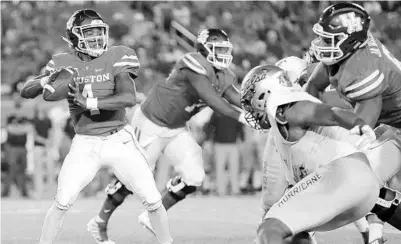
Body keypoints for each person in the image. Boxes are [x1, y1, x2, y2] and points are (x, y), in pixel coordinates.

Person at [20, 9, 172, 244]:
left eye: (99, 32)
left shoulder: (117, 56)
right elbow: (26, 91)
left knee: (152, 199)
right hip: (85, 143)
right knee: (62, 201)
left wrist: (88, 102)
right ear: (74, 37)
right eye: (89, 33)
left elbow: (127, 98)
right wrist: (45, 81)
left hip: (119, 138)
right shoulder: (63, 63)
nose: (97, 38)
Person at [87, 28, 251, 241]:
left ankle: (150, 216)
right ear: (204, 49)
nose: (222, 55)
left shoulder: (224, 75)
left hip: (176, 128)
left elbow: (238, 99)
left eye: (224, 50)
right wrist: (244, 118)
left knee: (195, 176)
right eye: (217, 49)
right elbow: (213, 100)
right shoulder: (192, 62)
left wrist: (263, 109)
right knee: (133, 179)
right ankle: (99, 221)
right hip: (150, 122)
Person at [240, 64, 381, 244]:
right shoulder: (281, 118)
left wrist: (357, 123)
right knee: (295, 229)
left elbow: (328, 113)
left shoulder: (281, 104)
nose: (250, 110)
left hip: (344, 174)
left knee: (269, 230)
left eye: (251, 98)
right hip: (363, 189)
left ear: (265, 92)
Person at [305, 2, 401, 243]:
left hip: (392, 127)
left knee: (361, 180)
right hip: (393, 126)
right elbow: (312, 89)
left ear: (350, 39)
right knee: (363, 181)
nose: (323, 45)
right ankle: (374, 235)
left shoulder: (365, 67)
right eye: (324, 38)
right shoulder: (346, 54)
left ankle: (373, 234)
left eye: (330, 39)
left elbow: (360, 130)